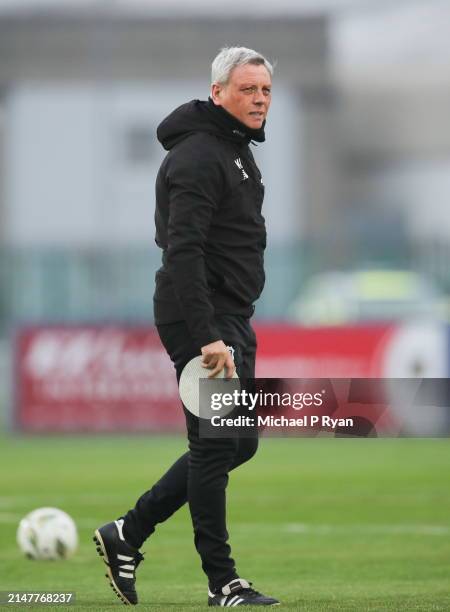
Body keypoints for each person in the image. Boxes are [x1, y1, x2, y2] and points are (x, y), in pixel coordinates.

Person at [94, 46, 279, 607]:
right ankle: (223, 584)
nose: (260, 99)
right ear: (218, 92)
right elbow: (185, 251)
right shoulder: (200, 155)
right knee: (215, 443)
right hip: (202, 316)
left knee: (237, 443)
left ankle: (127, 533)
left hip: (229, 315)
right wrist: (207, 334)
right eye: (248, 90)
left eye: (266, 90)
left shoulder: (235, 150)